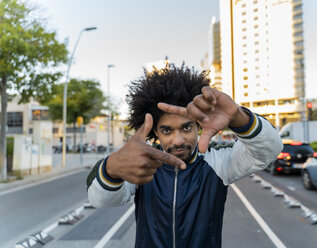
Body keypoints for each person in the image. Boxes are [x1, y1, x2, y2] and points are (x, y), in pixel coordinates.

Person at [86, 65, 283, 247]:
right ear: (155, 131)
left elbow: (268, 150)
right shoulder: (143, 165)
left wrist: (238, 117)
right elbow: (101, 200)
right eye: (167, 130)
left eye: (186, 127)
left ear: (199, 125)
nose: (178, 140)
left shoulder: (218, 162)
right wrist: (110, 169)